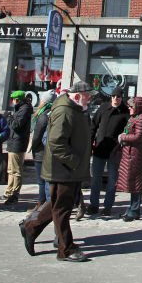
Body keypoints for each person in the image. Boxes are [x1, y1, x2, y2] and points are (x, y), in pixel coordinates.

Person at [19, 81, 93, 262]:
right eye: (87, 95)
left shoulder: (77, 110)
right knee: (62, 210)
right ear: (76, 96)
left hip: (71, 170)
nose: (90, 98)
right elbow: (56, 143)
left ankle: (30, 226)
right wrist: (74, 161)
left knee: (57, 205)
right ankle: (65, 249)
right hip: (63, 170)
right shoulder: (65, 111)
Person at [87, 89, 129, 217]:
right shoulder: (104, 107)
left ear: (122, 98)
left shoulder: (125, 112)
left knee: (112, 180)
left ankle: (107, 206)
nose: (116, 98)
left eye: (119, 96)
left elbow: (128, 131)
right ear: (111, 97)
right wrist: (90, 143)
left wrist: (121, 144)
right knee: (95, 179)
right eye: (114, 96)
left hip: (114, 151)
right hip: (100, 148)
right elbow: (94, 125)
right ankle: (93, 205)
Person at [117, 95, 142, 221]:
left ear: (138, 107)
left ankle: (135, 210)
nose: (129, 108)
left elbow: (139, 137)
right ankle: (131, 208)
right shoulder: (134, 117)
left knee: (136, 183)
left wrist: (123, 137)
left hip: (137, 155)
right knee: (131, 182)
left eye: (131, 106)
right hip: (130, 154)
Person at [3, 90, 33, 206]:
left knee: (16, 170)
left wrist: (9, 118)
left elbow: (17, 125)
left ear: (18, 100)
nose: (12, 101)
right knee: (10, 169)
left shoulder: (24, 109)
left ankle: (14, 193)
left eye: (13, 99)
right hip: (13, 141)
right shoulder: (19, 109)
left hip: (18, 142)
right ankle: (9, 190)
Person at [29, 90, 56, 207]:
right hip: (49, 151)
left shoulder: (43, 115)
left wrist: (32, 148)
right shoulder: (54, 113)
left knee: (42, 180)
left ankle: (42, 203)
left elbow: (37, 135)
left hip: (41, 151)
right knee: (47, 180)